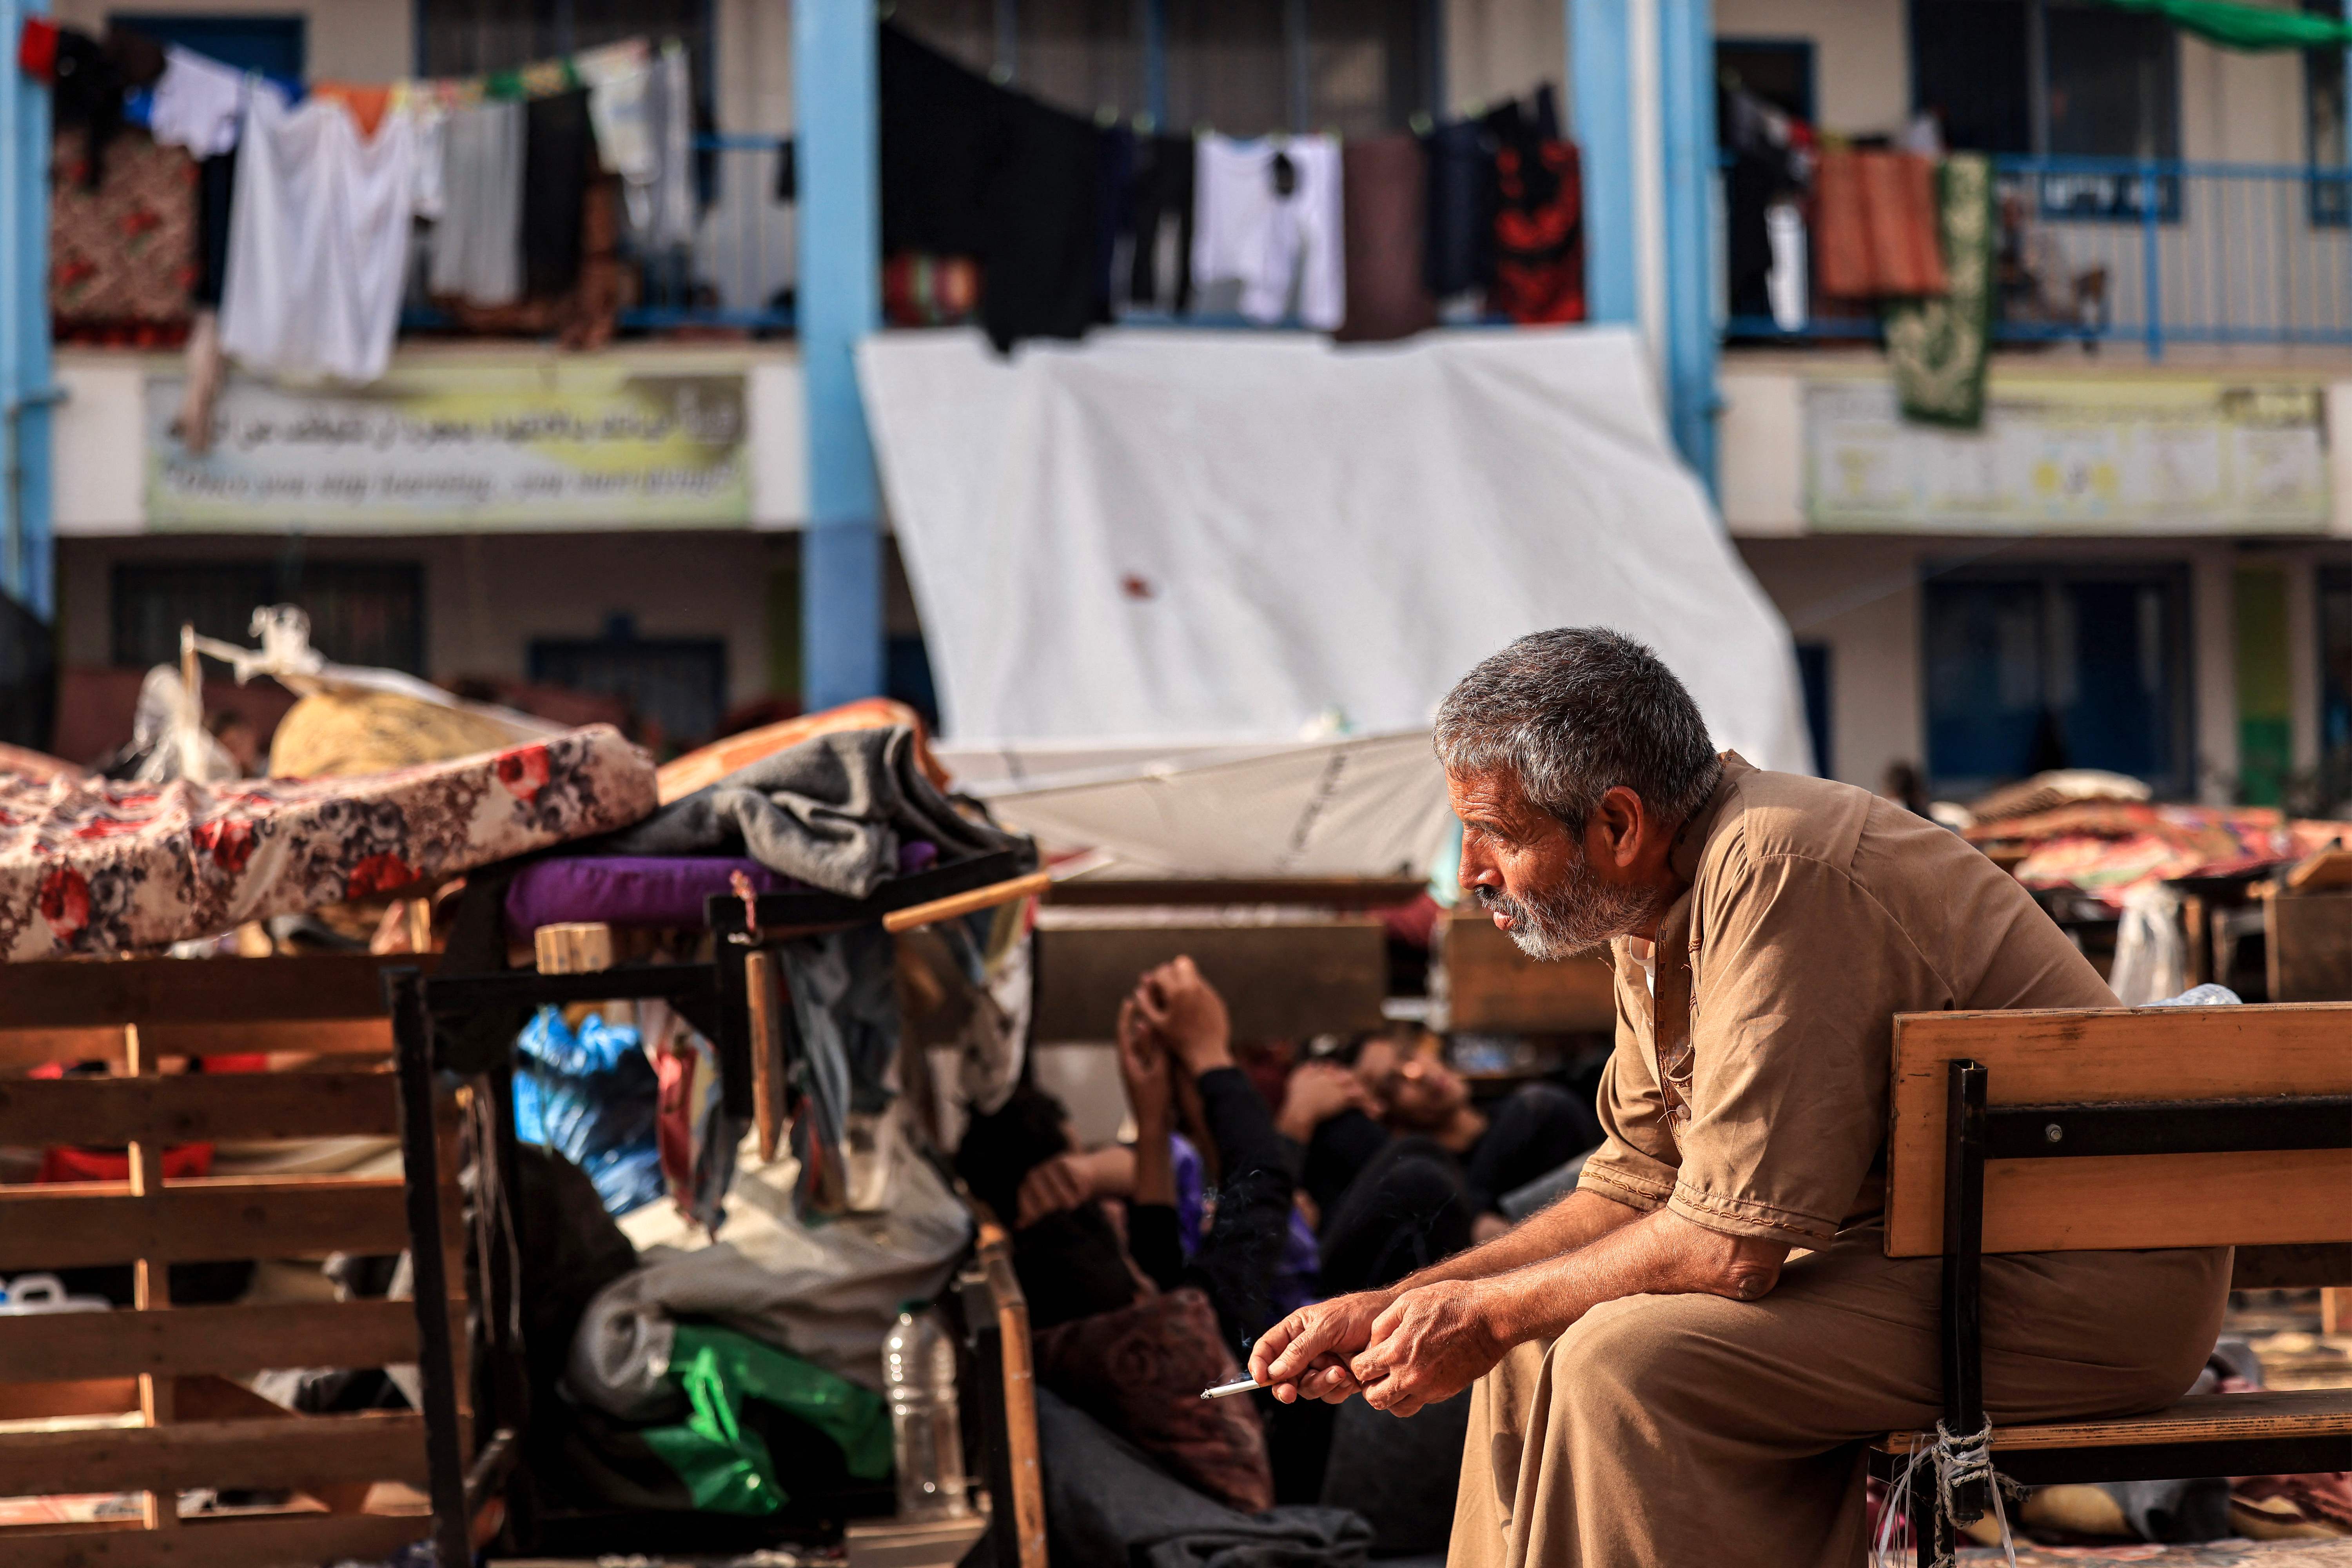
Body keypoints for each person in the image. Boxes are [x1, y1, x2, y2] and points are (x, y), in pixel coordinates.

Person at [1245, 627, 2228, 1568]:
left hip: (2080, 1296)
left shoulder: (1777, 868)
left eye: (1493, 835)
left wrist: (1487, 1309)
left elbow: (1728, 1245)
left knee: (1620, 1366)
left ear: (1619, 823)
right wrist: (1409, 1306)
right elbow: (1633, 1187)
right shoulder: (1657, 901)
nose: (1469, 876)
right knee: (1522, 1344)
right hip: (1941, 1270)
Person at [1290, 1031, 1600, 1295]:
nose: (1416, 1073)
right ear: (1378, 1110)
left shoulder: (1532, 1116)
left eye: (1409, 1055)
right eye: (1392, 1083)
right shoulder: (1427, 1183)